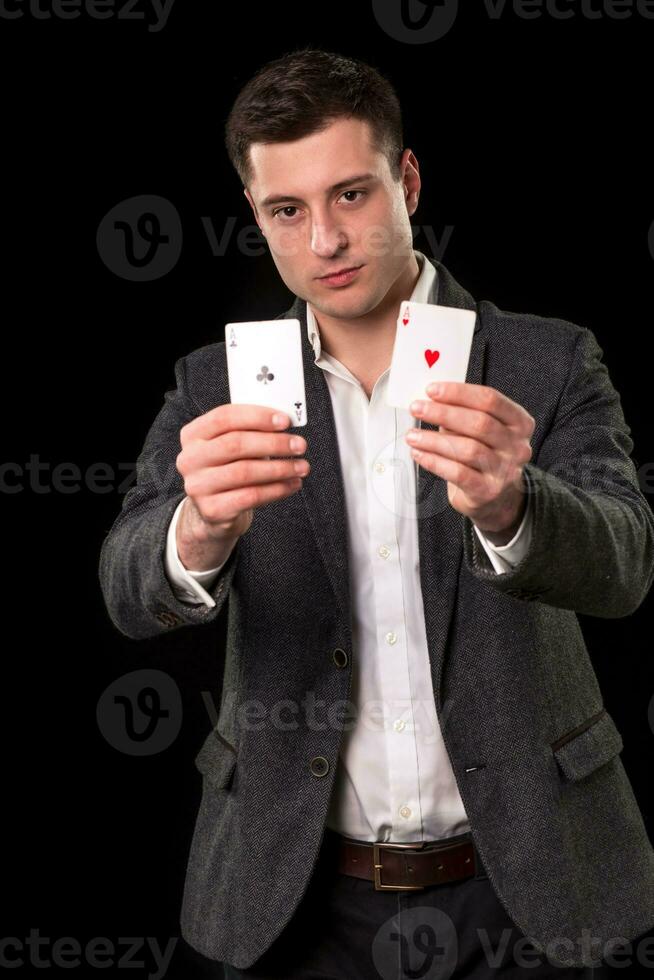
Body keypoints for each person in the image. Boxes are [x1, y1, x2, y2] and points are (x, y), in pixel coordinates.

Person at [98, 46, 654, 980]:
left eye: (351, 195)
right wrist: (194, 534)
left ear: (408, 180)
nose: (324, 240)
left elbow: (627, 564)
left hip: (533, 886)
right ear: (257, 219)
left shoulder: (547, 363)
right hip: (297, 894)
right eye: (288, 210)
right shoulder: (213, 384)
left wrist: (516, 507)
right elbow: (126, 587)